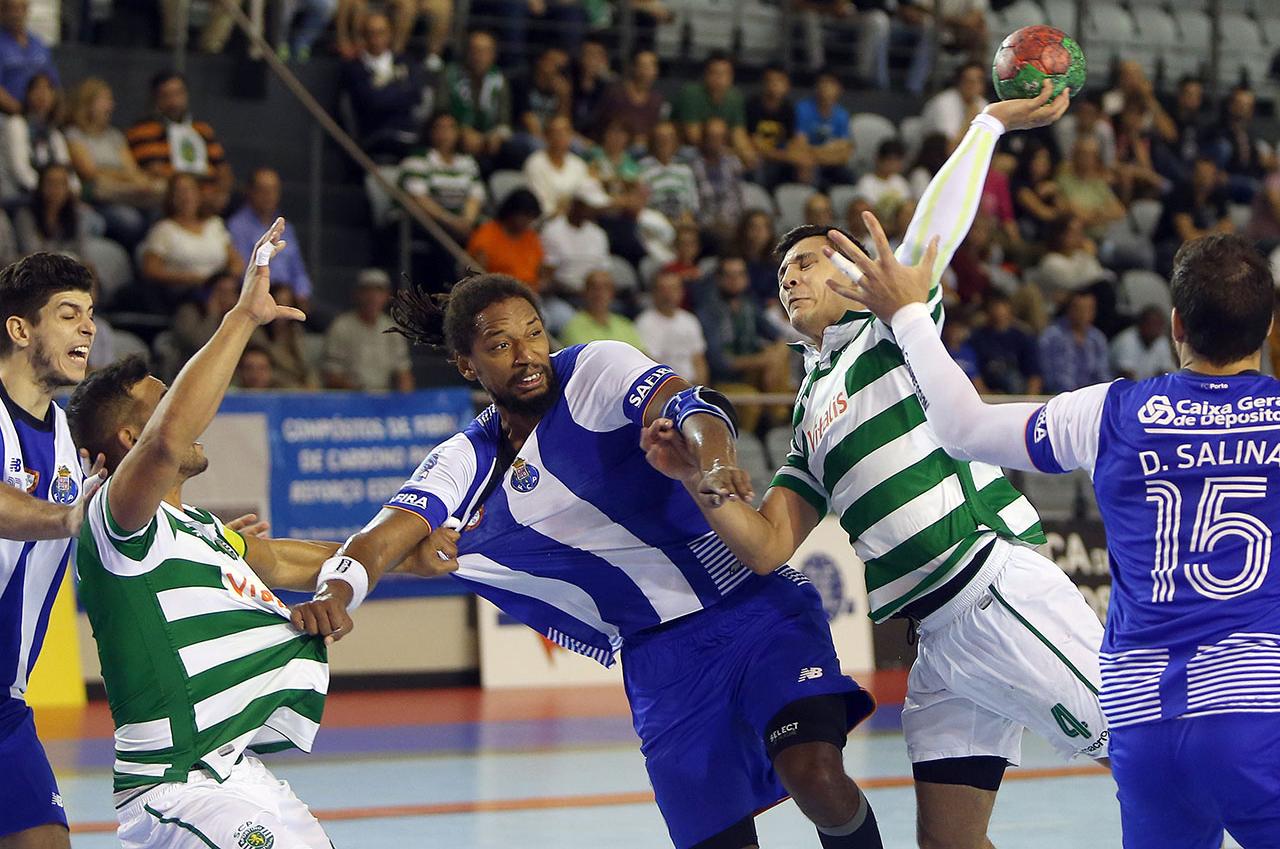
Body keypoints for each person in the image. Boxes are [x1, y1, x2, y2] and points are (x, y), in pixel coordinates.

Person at [642, 83, 1109, 849]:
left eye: (805, 261)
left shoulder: (890, 327)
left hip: (993, 588)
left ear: (852, 272)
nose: (788, 277)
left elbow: (932, 237)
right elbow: (764, 546)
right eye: (781, 272)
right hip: (937, 639)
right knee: (949, 843)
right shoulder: (809, 407)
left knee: (1157, 758)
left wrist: (986, 126)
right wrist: (695, 480)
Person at [289, 271, 885, 849]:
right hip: (660, 660)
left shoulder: (595, 367)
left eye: (534, 333)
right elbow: (382, 537)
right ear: (468, 366)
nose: (526, 355)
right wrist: (336, 593)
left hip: (754, 612)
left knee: (817, 777)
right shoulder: (467, 459)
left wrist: (714, 461)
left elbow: (693, 407)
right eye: (501, 345)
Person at [846, 222, 1280, 848]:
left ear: (1177, 325)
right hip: (1257, 717)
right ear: (1267, 327)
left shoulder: (1109, 411)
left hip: (1146, 728)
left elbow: (963, 427)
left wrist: (911, 314)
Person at [64, 222, 452, 849]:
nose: (195, 418)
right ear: (131, 442)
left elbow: (302, 560)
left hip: (237, 769)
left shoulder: (199, 529)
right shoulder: (114, 520)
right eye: (169, 404)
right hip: (177, 783)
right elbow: (167, 437)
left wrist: (409, 557)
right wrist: (243, 317)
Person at [0, 252, 102, 849]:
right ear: (20, 329)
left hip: (6, 704)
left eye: (90, 314)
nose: (88, 327)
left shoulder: (69, 436)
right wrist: (67, 518)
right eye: (68, 314)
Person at [65, 77, 162, 248]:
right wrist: (121, 175)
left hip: (128, 192)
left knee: (160, 208)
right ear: (88, 103)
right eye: (105, 100)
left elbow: (132, 170)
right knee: (129, 221)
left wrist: (114, 174)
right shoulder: (74, 135)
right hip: (99, 198)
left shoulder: (114, 136)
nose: (111, 105)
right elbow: (89, 172)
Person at [126, 71, 233, 214]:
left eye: (178, 94)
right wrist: (192, 194)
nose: (174, 102)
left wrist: (221, 194)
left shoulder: (202, 130)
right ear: (155, 99)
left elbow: (222, 169)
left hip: (209, 197)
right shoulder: (142, 131)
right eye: (167, 96)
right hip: (170, 199)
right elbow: (154, 171)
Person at [139, 173, 242, 310]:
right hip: (184, 294)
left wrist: (224, 280)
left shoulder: (214, 224)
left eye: (190, 190)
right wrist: (190, 278)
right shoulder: (163, 229)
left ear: (199, 194)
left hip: (219, 287)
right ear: (171, 197)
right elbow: (151, 270)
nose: (186, 196)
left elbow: (237, 262)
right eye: (179, 192)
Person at [338, 11, 428, 159]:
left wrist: (383, 91)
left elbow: (416, 95)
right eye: (370, 33)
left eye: (381, 32)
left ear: (389, 34)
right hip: (375, 137)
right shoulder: (355, 68)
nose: (376, 39)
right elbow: (372, 102)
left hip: (408, 135)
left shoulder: (405, 62)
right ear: (363, 36)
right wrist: (399, 90)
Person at [227, 167, 314, 309]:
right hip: (256, 294)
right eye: (263, 190)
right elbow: (245, 271)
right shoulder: (237, 226)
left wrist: (302, 292)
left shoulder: (286, 227)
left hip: (290, 295)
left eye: (273, 190)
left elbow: (298, 269)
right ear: (250, 192)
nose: (269, 195)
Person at [398, 112, 486, 243]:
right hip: (426, 220)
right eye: (440, 127)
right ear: (430, 131)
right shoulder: (417, 160)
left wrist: (467, 221)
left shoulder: (467, 162)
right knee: (441, 232)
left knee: (488, 231)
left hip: (460, 221)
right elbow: (420, 199)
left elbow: (475, 196)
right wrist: (450, 221)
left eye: (450, 127)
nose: (445, 133)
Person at [322, 268, 414, 391]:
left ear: (387, 296)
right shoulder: (341, 326)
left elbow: (403, 372)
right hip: (350, 398)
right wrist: (360, 392)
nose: (373, 297)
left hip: (383, 399)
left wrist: (405, 400)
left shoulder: (392, 328)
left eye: (379, 291)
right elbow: (331, 375)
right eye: (367, 290)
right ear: (357, 294)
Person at [671, 52, 755, 168]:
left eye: (724, 74)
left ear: (731, 77)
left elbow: (738, 134)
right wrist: (730, 152)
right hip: (686, 149)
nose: (719, 78)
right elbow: (694, 137)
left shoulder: (735, 98)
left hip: (720, 150)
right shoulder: (691, 93)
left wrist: (746, 152)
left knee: (750, 158)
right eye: (715, 73)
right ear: (706, 74)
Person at [438, 30, 512, 161]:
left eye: (485, 51)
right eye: (475, 50)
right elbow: (440, 111)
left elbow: (504, 120)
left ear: (493, 55)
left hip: (488, 139)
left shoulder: (499, 80)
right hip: (456, 133)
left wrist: (497, 134)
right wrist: (461, 130)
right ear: (467, 52)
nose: (480, 56)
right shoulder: (450, 75)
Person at [745, 66, 813, 188]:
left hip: (779, 158)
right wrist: (786, 156)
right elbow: (755, 144)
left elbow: (793, 141)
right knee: (755, 163)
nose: (774, 85)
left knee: (805, 164)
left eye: (779, 81)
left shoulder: (788, 109)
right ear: (763, 83)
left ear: (787, 86)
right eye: (770, 81)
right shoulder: (752, 106)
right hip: (759, 157)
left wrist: (796, 156)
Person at [636, 269, 709, 384]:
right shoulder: (645, 323)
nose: (668, 294)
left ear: (681, 292)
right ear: (654, 293)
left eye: (673, 289)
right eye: (663, 289)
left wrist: (700, 390)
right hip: (665, 388)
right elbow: (652, 365)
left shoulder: (690, 320)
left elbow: (699, 360)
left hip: (692, 387)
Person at [466, 188, 544, 291]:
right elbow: (478, 278)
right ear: (512, 211)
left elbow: (540, 272)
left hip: (531, 293)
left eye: (531, 217)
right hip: (498, 295)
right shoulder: (487, 235)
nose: (528, 221)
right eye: (525, 216)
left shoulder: (531, 236)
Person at [968, 290, 1043, 394]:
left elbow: (1034, 376)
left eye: (1002, 306)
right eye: (994, 307)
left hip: (1019, 394)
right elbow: (973, 373)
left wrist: (1029, 400)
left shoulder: (1023, 338)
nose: (998, 311)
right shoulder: (977, 339)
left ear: (1010, 309)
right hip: (989, 396)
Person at [1038, 290, 1113, 393]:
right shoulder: (1052, 336)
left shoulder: (1097, 338)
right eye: (1080, 309)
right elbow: (1047, 373)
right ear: (1069, 309)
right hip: (1059, 397)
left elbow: (1103, 374)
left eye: (1089, 309)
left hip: (1091, 399)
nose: (1084, 314)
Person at [594, 49, 665, 150]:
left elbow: (655, 130)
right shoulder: (616, 94)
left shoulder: (657, 99)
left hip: (645, 149)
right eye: (644, 66)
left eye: (651, 66)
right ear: (634, 68)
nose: (648, 71)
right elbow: (603, 126)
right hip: (615, 147)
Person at [793, 72, 854, 189]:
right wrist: (830, 150)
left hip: (830, 163)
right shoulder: (802, 109)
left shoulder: (842, 115)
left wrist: (816, 153)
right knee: (806, 167)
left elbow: (844, 153)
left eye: (831, 84)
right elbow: (801, 146)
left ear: (839, 89)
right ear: (816, 87)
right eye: (823, 83)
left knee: (848, 177)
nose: (826, 88)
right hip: (809, 164)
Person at [559, 268, 645, 349]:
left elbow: (642, 355)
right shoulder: (573, 327)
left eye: (605, 287)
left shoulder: (625, 324)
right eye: (594, 287)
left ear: (612, 293)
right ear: (584, 292)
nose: (599, 293)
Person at [691, 116, 746, 243]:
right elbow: (693, 202)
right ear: (703, 138)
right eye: (712, 137)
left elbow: (739, 197)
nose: (716, 141)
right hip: (705, 227)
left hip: (732, 225)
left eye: (720, 137)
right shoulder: (693, 166)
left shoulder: (733, 163)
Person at [0, 0, 57, 116]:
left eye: (21, 8)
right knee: (17, 129)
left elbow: (53, 82)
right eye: (11, 9)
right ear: (2, 11)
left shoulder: (39, 44)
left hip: (40, 114)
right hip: (8, 115)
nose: (16, 14)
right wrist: (18, 110)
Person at [640, 121, 699, 226]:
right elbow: (642, 205)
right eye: (660, 137)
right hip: (655, 223)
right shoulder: (643, 169)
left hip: (681, 223)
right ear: (653, 141)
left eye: (669, 137)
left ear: (676, 142)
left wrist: (685, 219)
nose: (665, 141)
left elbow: (692, 205)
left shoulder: (685, 170)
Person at [921, 62, 988, 147]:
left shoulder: (982, 103)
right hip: (935, 155)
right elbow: (950, 147)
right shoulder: (944, 103)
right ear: (959, 81)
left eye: (978, 81)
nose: (973, 86)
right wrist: (969, 118)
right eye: (968, 81)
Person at [1110, 305, 1174, 381]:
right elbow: (1126, 377)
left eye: (1159, 324)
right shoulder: (1127, 340)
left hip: (1144, 388)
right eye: (1152, 324)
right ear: (1141, 323)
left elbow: (1165, 373)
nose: (1155, 329)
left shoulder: (1161, 341)